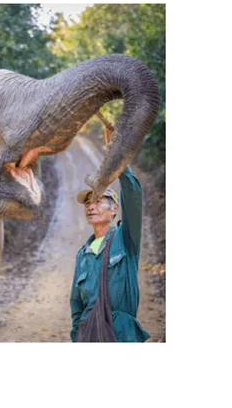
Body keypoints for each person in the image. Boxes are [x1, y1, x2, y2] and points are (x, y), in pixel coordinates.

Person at [70, 123, 150, 343]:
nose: (91, 206)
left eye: (98, 201)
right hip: (89, 336)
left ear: (114, 208)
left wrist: (117, 153)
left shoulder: (125, 239)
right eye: (88, 203)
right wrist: (78, 335)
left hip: (122, 334)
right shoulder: (82, 255)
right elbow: (76, 305)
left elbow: (133, 195)